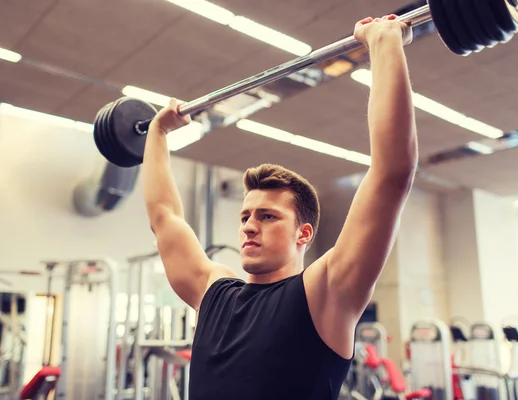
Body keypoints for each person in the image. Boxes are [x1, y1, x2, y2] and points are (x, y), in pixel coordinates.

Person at [142, 14, 417, 400]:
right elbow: (163, 216)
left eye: (268, 216)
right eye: (245, 216)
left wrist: (384, 44)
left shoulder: (326, 293)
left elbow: (392, 174)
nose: (249, 226)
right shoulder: (214, 293)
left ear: (304, 232)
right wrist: (157, 133)